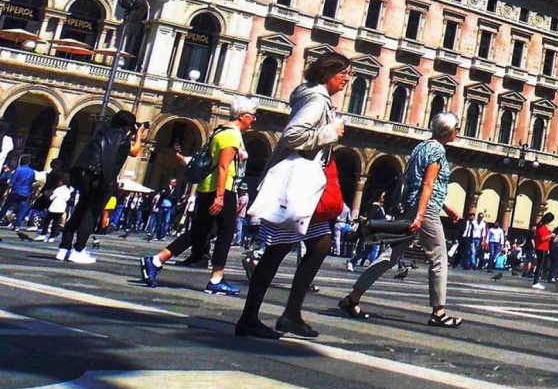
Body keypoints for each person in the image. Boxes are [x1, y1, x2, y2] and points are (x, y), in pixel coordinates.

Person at [236, 52, 351, 340]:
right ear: (327, 73)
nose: (346, 79)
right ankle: (250, 318)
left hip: (304, 188)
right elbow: (293, 136)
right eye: (343, 73)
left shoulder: (315, 97)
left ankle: (291, 314)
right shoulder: (316, 100)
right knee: (277, 251)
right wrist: (330, 132)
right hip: (296, 187)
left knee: (321, 244)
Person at [339, 111, 464, 328]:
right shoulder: (437, 150)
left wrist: (446, 207)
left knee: (390, 256)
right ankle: (439, 312)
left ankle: (353, 297)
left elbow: (419, 183)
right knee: (438, 259)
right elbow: (427, 184)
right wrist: (421, 215)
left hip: (411, 207)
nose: (458, 132)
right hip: (425, 211)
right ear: (448, 131)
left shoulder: (421, 147)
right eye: (456, 128)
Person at [141, 97, 258, 294]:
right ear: (242, 115)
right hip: (222, 189)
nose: (254, 119)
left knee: (199, 232)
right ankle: (216, 279)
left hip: (207, 188)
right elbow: (223, 167)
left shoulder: (220, 130)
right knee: (226, 232)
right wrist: (220, 196)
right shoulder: (231, 135)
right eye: (252, 115)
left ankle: (155, 261)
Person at [57, 111, 147, 264]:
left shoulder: (101, 131)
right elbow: (134, 152)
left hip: (83, 174)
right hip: (100, 178)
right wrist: (138, 134)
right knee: (91, 214)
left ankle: (64, 248)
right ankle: (78, 250)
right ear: (128, 126)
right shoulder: (123, 140)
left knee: (79, 209)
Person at [42, 172, 73, 241]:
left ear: (61, 182)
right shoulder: (67, 190)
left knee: (47, 221)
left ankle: (43, 234)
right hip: (61, 208)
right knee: (55, 223)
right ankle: (52, 237)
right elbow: (67, 198)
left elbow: (51, 198)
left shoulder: (58, 189)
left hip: (54, 207)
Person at [529, 212, 555, 290]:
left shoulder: (540, 226)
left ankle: (536, 281)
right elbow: (543, 238)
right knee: (540, 265)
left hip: (540, 247)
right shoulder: (543, 227)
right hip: (542, 247)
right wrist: (551, 235)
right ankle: (535, 282)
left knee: (540, 265)